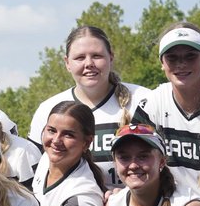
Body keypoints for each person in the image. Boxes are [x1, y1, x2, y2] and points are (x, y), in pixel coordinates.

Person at [28, 26, 149, 188]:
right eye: (80, 58)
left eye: (97, 56)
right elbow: (36, 174)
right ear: (67, 63)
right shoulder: (48, 109)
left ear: (111, 57)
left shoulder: (143, 100)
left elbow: (164, 164)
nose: (89, 63)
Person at [134, 23, 200, 190]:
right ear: (162, 62)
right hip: (170, 204)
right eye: (172, 58)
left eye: (190, 56)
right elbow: (133, 159)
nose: (181, 64)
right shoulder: (153, 103)